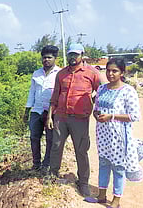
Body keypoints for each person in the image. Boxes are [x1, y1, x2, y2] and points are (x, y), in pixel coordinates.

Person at [84, 58, 141, 208]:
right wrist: (97, 115)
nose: (110, 74)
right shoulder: (102, 89)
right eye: (108, 70)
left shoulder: (128, 91)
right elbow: (96, 108)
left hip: (119, 136)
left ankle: (116, 199)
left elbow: (134, 116)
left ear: (122, 72)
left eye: (114, 71)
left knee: (118, 167)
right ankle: (101, 195)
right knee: (103, 163)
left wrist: (112, 117)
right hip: (103, 134)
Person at [46, 43, 101, 196]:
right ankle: (52, 175)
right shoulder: (61, 74)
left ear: (82, 55)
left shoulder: (92, 73)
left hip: (80, 119)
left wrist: (93, 103)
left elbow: (101, 91)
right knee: (56, 147)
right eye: (70, 54)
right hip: (60, 117)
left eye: (75, 55)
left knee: (81, 151)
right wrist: (50, 116)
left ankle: (83, 182)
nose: (72, 57)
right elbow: (55, 96)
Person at [23, 45, 61, 172]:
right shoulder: (36, 73)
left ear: (55, 58)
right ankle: (36, 164)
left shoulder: (60, 74)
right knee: (34, 137)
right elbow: (32, 92)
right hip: (36, 110)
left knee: (50, 139)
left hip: (51, 112)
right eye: (44, 57)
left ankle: (46, 165)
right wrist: (27, 110)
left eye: (49, 57)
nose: (46, 60)